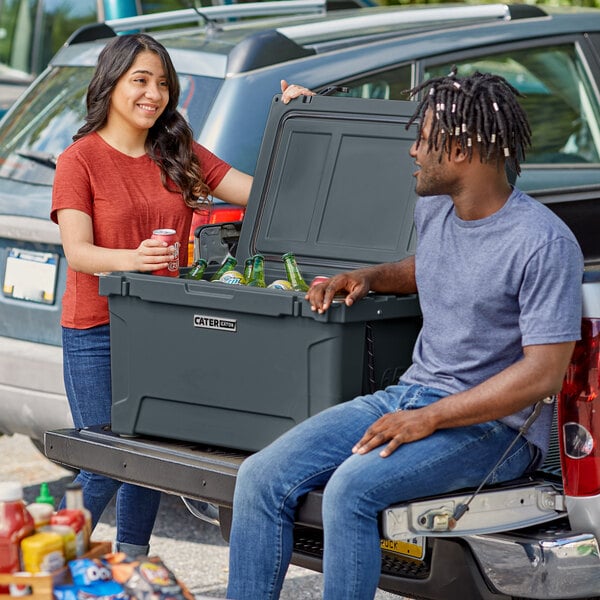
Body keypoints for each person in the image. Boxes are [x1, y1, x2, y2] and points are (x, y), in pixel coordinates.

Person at [226, 70, 584, 599]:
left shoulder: (545, 244)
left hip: (497, 430)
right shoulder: (438, 207)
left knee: (350, 489)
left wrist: (429, 418)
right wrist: (371, 277)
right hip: (412, 396)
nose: (412, 150)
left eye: (424, 140)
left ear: (462, 151)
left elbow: (542, 375)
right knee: (259, 477)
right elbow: (432, 265)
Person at [50, 32, 312, 557]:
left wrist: (296, 121)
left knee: (150, 455)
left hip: (160, 328)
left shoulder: (177, 153)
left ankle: (134, 564)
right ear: (112, 83)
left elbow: (264, 191)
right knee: (105, 458)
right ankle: (43, 559)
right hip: (96, 329)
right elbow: (77, 252)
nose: (154, 94)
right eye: (140, 81)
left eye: (163, 84)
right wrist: (133, 258)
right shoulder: (78, 160)